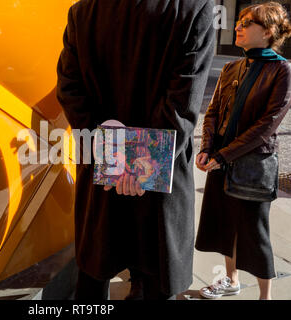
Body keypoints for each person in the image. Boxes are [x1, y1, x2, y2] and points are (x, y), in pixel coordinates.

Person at [56, 0, 215, 300]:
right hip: (159, 179)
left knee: (93, 277)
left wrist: (114, 160)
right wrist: (139, 166)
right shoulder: (194, 10)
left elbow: (69, 88)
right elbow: (183, 104)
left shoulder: (84, 11)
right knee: (155, 280)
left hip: (103, 173)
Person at [195, 2, 291, 300]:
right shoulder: (231, 67)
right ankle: (231, 280)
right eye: (238, 21)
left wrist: (223, 156)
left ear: (268, 32)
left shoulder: (283, 70)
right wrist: (206, 148)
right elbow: (212, 112)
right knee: (226, 224)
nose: (237, 26)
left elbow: (267, 125)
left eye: (247, 23)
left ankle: (265, 296)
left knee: (255, 232)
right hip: (221, 159)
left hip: (253, 162)